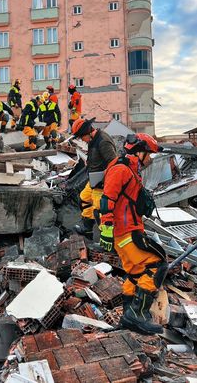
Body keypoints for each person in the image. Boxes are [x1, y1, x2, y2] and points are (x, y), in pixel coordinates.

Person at [100, 133, 167, 335]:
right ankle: (137, 315)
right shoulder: (121, 169)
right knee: (157, 265)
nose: (150, 159)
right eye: (150, 155)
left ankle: (129, 315)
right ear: (140, 152)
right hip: (127, 231)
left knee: (136, 273)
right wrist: (106, 229)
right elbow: (106, 200)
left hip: (127, 231)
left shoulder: (129, 169)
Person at [71, 117, 117, 237]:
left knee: (100, 211)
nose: (83, 140)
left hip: (102, 183)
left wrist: (105, 179)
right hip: (94, 179)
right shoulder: (93, 140)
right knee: (84, 198)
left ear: (88, 132)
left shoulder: (103, 142)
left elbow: (114, 164)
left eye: (82, 137)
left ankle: (107, 238)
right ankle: (87, 229)